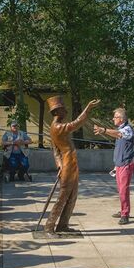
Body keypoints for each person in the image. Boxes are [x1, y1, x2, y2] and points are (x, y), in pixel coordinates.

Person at [44, 96, 100, 235]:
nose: (66, 110)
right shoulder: (57, 127)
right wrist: (87, 108)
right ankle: (49, 227)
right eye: (63, 109)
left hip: (69, 164)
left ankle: (63, 225)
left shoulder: (56, 125)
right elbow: (77, 123)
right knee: (63, 196)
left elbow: (55, 150)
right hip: (68, 164)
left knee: (72, 196)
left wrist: (58, 165)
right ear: (57, 112)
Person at [94, 107, 134, 225]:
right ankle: (123, 210)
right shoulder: (121, 129)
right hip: (120, 164)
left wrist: (104, 130)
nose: (113, 119)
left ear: (121, 119)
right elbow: (118, 135)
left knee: (123, 190)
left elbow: (118, 134)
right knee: (121, 190)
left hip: (126, 165)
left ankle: (125, 214)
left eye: (115, 117)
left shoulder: (127, 129)